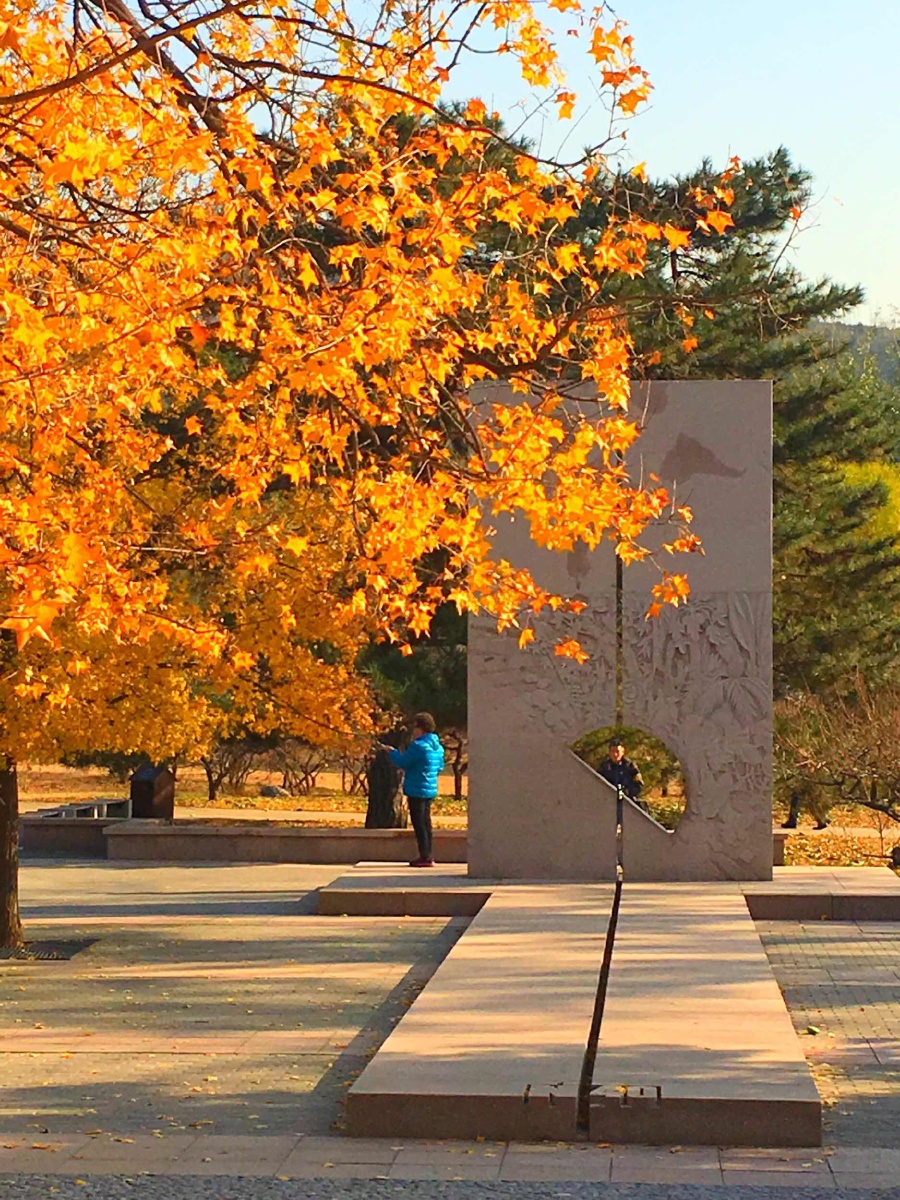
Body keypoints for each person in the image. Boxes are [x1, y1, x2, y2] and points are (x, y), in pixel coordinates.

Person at [380, 713, 445, 867]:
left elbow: (404, 761)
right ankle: (428, 854)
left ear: (420, 728)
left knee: (419, 823)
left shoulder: (418, 746)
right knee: (426, 822)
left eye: (415, 727)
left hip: (416, 788)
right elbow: (440, 767)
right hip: (430, 788)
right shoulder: (438, 747)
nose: (413, 731)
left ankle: (425, 856)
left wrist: (392, 752)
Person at [598, 739, 646, 808]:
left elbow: (639, 785)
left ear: (623, 752)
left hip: (628, 802)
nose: (615, 754)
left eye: (617, 751)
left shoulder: (630, 766)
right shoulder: (604, 767)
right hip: (608, 803)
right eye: (612, 751)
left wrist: (626, 792)